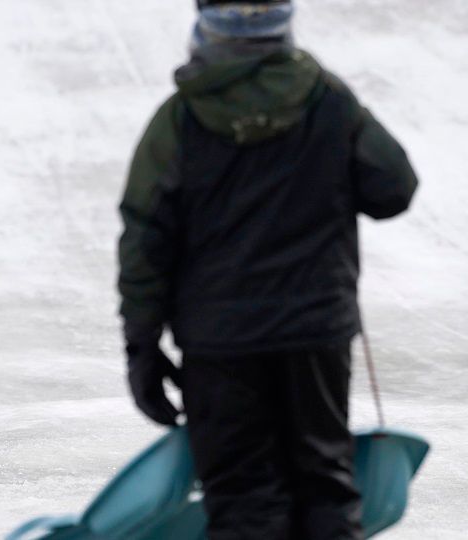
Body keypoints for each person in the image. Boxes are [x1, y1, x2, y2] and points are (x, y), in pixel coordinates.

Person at [117, 1, 418, 537]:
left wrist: (142, 345)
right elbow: (392, 188)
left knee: (242, 499)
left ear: (206, 25)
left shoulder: (180, 119)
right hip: (313, 334)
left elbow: (145, 236)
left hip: (220, 345)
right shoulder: (328, 100)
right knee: (324, 488)